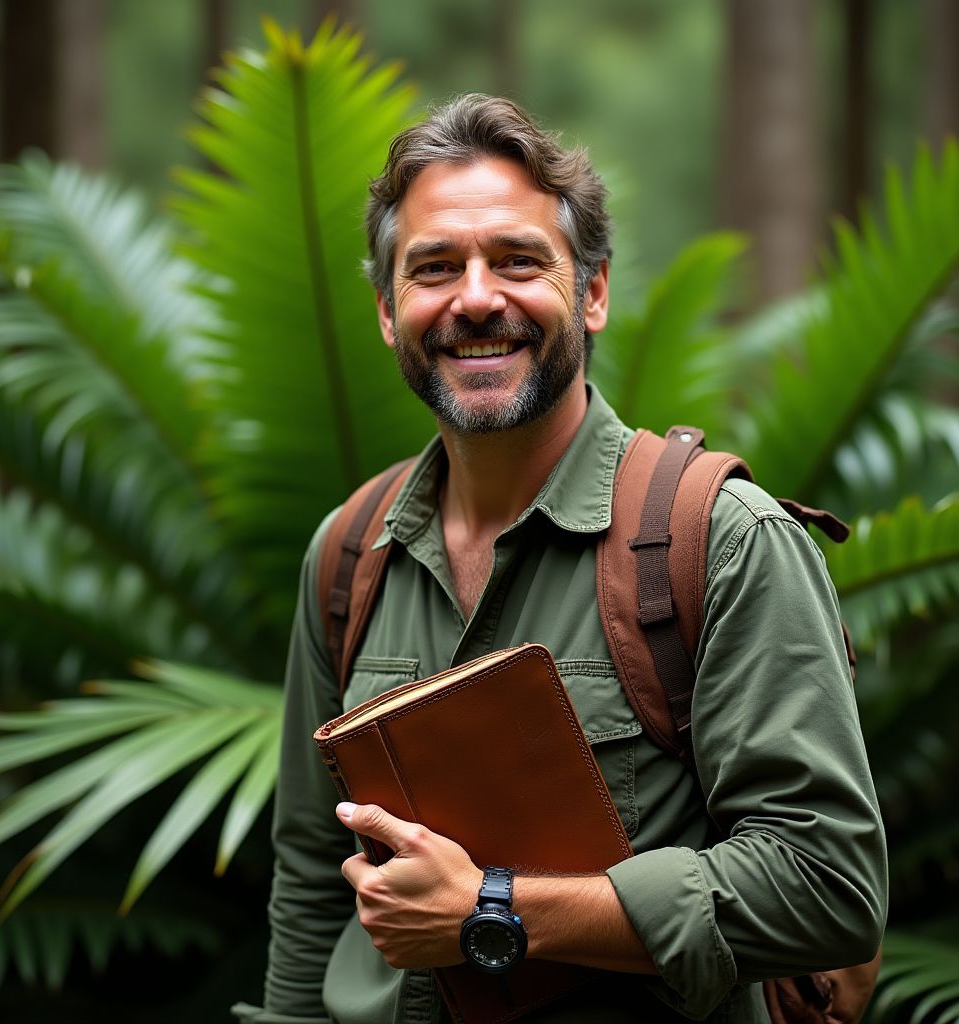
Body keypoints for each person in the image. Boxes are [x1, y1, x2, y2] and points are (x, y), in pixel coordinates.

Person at [233, 94, 887, 1024]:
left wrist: (492, 910)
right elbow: (309, 880)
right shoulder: (347, 553)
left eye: (517, 261)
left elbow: (828, 884)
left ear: (593, 291)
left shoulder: (721, 539)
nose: (475, 298)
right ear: (389, 311)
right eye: (434, 268)